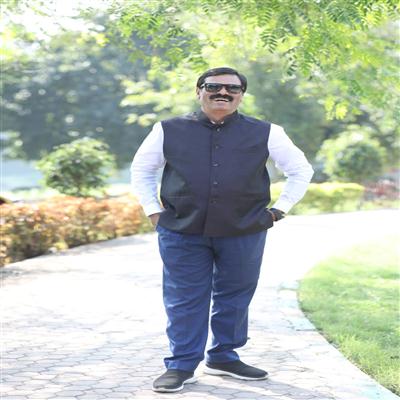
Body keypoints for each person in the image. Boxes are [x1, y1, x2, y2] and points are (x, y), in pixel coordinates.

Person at [131, 67, 313, 393]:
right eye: (214, 86)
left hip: (244, 229)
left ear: (241, 95)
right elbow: (142, 169)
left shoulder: (267, 132)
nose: (223, 93)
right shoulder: (167, 129)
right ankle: (181, 365)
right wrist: (153, 210)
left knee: (235, 295)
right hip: (182, 229)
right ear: (199, 91)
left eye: (232, 88)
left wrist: (279, 210)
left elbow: (300, 170)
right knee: (184, 298)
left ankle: (223, 357)